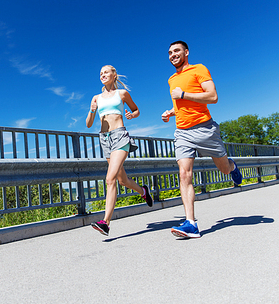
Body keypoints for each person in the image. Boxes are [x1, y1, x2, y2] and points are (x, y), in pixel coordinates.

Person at [162, 41, 243, 239]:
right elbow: (182, 105)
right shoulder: (172, 79)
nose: (173, 55)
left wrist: (183, 94)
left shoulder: (199, 69)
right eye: (170, 52)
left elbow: (213, 96)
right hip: (182, 132)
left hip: (205, 129)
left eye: (177, 51)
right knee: (184, 174)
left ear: (186, 52)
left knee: (223, 168)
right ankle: (191, 223)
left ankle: (232, 167)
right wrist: (171, 112)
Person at [87, 65, 153, 236]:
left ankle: (105, 222)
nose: (102, 75)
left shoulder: (122, 94)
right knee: (122, 180)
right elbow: (88, 123)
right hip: (104, 139)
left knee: (110, 179)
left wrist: (132, 115)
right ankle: (143, 191)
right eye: (100, 73)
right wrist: (91, 111)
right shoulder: (96, 98)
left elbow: (136, 110)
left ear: (114, 75)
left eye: (106, 72)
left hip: (120, 137)